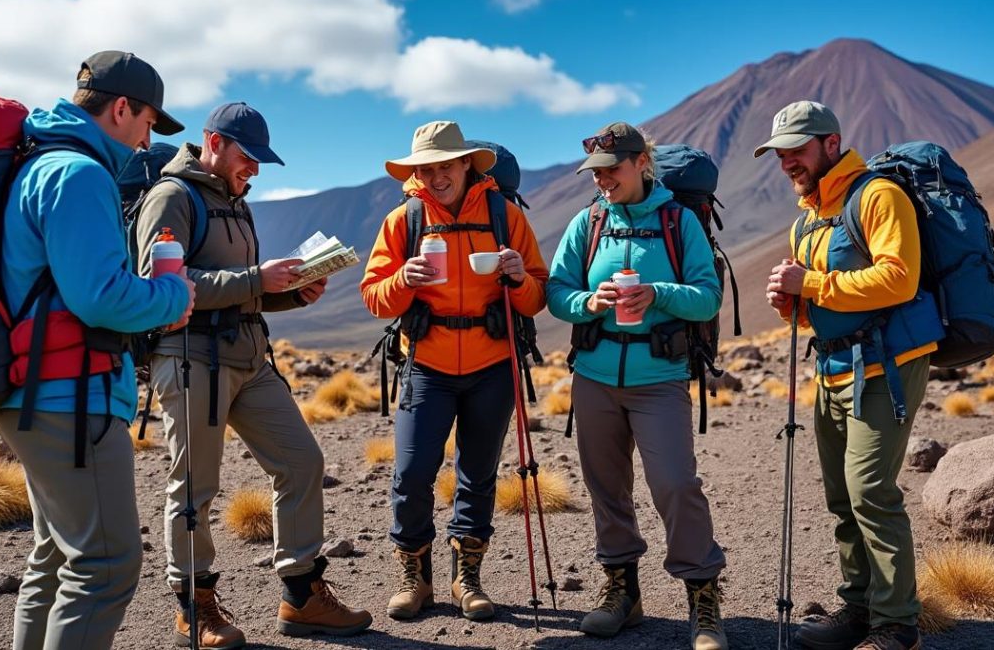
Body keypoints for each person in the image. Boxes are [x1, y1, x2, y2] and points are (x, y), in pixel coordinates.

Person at [134, 102, 371, 647]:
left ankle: (302, 596)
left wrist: (291, 293)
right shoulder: (173, 197)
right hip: (190, 357)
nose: (255, 170)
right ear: (213, 142)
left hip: (247, 356)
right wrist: (254, 277)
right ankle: (194, 608)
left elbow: (243, 293)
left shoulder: (237, 204)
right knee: (195, 484)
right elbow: (161, 281)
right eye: (248, 157)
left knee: (302, 461)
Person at [0, 50, 195, 650]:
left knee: (56, 559)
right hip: (70, 399)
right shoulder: (78, 175)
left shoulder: (39, 163)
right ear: (121, 107)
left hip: (34, 393)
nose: (145, 140)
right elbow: (100, 298)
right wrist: (171, 295)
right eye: (147, 124)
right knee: (104, 566)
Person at [760, 101, 940, 650]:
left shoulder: (879, 195)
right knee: (842, 497)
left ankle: (896, 624)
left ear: (831, 144)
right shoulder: (807, 220)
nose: (788, 161)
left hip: (888, 364)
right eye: (780, 153)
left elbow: (898, 279)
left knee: (871, 491)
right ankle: (858, 609)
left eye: (798, 150)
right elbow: (821, 301)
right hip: (833, 367)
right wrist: (791, 304)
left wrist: (809, 284)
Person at [546, 122, 727, 649]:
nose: (603, 181)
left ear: (641, 163)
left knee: (675, 484)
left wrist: (657, 292)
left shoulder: (679, 222)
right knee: (606, 487)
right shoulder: (589, 221)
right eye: (596, 173)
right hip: (594, 377)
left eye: (612, 170)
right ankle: (622, 590)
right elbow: (558, 291)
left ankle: (703, 599)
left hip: (659, 379)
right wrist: (589, 302)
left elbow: (707, 297)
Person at [360, 121, 548, 622]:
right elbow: (375, 298)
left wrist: (516, 277)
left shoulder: (504, 217)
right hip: (428, 363)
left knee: (478, 474)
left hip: (491, 363)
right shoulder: (405, 219)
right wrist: (404, 279)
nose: (436, 175)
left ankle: (468, 578)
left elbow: (538, 294)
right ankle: (415, 577)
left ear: (467, 163)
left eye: (446, 164)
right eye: (427, 167)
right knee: (411, 474)